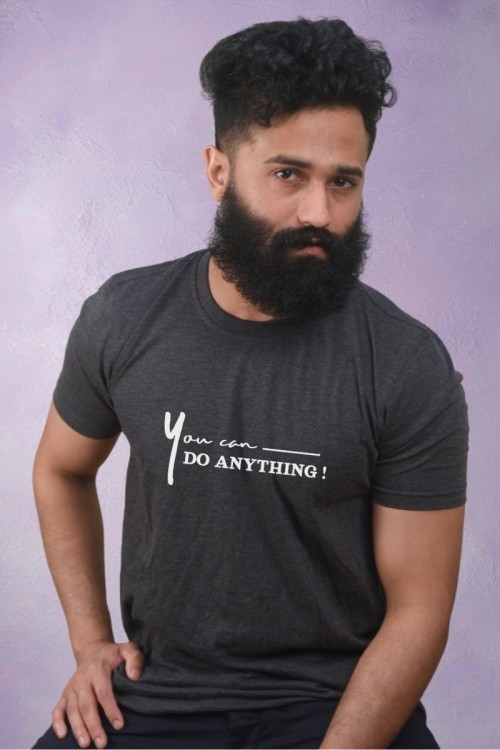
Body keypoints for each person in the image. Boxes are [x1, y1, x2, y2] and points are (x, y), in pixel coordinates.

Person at [33, 17, 468, 750]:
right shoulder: (124, 318)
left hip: (337, 706)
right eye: (288, 174)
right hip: (159, 696)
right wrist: (90, 643)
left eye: (343, 182)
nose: (319, 213)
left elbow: (419, 612)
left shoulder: (405, 363)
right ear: (218, 171)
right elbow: (59, 469)